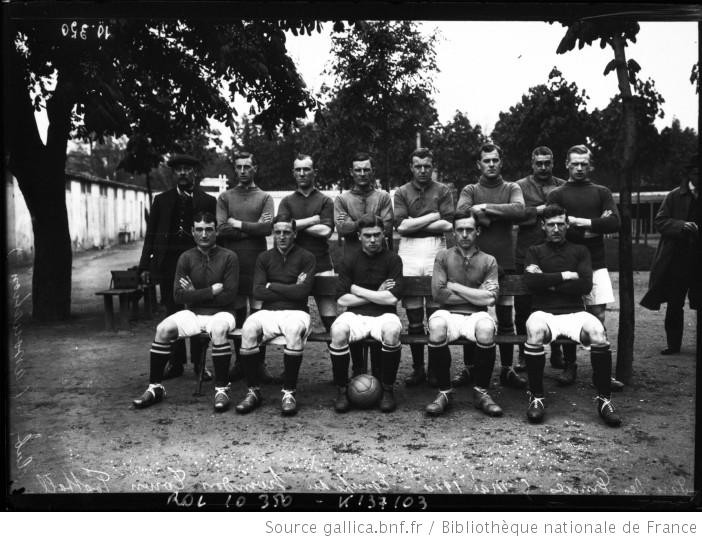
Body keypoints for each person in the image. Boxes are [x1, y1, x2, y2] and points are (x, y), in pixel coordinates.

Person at [522, 204, 621, 427]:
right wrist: (566, 275)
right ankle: (536, 397)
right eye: (551, 225)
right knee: (535, 330)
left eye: (560, 224)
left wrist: (549, 281)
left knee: (598, 331)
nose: (556, 229)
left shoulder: (580, 250)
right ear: (543, 226)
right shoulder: (534, 251)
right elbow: (531, 283)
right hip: (543, 312)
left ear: (567, 225)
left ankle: (605, 400)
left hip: (575, 312)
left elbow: (585, 286)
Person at [133, 211, 239, 411]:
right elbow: (178, 296)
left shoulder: (229, 257)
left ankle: (222, 389)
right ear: (192, 231)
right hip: (193, 313)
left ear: (216, 231)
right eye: (199, 230)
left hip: (223, 313)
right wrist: (210, 291)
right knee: (163, 329)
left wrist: (194, 292)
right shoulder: (186, 257)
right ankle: (155, 387)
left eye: (209, 229)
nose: (204, 234)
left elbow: (229, 297)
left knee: (218, 330)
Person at [546, 145, 620, 387]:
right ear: (566, 164)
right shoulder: (557, 194)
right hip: (568, 263)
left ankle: (603, 373)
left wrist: (581, 222)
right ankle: (570, 366)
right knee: (568, 314)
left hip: (596, 262)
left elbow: (614, 223)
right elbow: (555, 230)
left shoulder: (601, 192)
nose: (579, 168)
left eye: (584, 164)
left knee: (598, 314)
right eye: (575, 163)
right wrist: (593, 228)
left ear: (591, 165)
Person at [138, 154, 217, 380]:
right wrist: (145, 265)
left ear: (195, 173)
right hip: (168, 264)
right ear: (174, 173)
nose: (183, 173)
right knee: (173, 311)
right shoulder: (161, 200)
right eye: (179, 170)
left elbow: (212, 234)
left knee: (198, 312)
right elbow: (150, 235)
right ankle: (176, 363)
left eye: (187, 169)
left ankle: (200, 365)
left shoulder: (208, 201)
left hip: (198, 262)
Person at [456, 143, 526, 391]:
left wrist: (484, 209)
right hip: (474, 261)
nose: (491, 164)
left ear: (501, 162)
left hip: (504, 261)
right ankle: (470, 368)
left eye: (495, 160)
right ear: (479, 164)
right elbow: (461, 211)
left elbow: (519, 210)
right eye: (486, 161)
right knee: (471, 315)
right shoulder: (471, 189)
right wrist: (486, 214)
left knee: (506, 318)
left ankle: (507, 368)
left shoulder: (511, 187)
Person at [234, 215, 316, 416]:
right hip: (268, 311)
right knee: (248, 328)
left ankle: (288, 392)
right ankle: (253, 391)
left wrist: (273, 285)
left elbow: (302, 293)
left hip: (297, 311)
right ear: (272, 233)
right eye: (278, 232)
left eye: (287, 232)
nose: (282, 236)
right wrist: (290, 287)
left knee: (294, 329)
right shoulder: (264, 258)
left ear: (295, 234)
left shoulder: (307, 257)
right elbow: (259, 292)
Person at [425, 210, 501, 417]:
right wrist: (477, 294)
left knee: (486, 328)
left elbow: (489, 299)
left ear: (477, 231)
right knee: (437, 328)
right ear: (454, 233)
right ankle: (444, 392)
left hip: (477, 315)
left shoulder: (489, 260)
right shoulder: (443, 257)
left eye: (469, 230)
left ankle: (481, 392)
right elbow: (439, 295)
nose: (465, 234)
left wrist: (456, 287)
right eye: (460, 230)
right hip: (448, 313)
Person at [329, 214, 403, 413]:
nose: (373, 240)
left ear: (384, 235)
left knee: (392, 332)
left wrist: (357, 290)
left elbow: (391, 299)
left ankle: (387, 389)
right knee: (337, 332)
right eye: (368, 235)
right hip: (356, 315)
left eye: (377, 235)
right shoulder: (349, 260)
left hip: (384, 314)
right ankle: (342, 389)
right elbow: (342, 299)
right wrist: (377, 293)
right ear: (359, 236)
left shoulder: (393, 260)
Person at [393, 147, 454, 387]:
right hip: (408, 249)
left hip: (434, 249)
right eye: (418, 166)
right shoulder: (401, 192)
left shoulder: (443, 190)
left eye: (427, 166)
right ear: (411, 167)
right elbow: (401, 227)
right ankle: (418, 367)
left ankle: (436, 368)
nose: (422, 170)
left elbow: (447, 225)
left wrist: (414, 223)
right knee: (414, 311)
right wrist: (431, 217)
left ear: (432, 166)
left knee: (436, 308)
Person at [216, 151, 275, 382]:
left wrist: (238, 224)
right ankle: (241, 362)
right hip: (232, 263)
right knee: (239, 314)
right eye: (238, 167)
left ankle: (259, 364)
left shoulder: (264, 197)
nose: (242, 171)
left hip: (258, 263)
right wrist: (252, 227)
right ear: (234, 168)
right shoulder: (225, 197)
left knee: (259, 314)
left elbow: (266, 228)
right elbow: (221, 229)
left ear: (254, 169)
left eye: (247, 166)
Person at [334, 152, 394, 376]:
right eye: (357, 169)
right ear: (352, 172)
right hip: (353, 261)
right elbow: (340, 228)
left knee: (380, 311)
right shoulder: (342, 199)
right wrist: (368, 221)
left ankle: (379, 371)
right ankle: (358, 369)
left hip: (379, 260)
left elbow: (386, 227)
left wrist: (354, 223)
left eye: (366, 169)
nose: (362, 173)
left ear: (372, 171)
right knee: (355, 314)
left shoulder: (383, 197)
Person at [515, 146, 567, 371]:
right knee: (524, 306)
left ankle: (556, 351)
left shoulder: (563, 186)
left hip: (556, 253)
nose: (543, 167)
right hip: (527, 252)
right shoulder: (519, 186)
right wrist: (539, 211)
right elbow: (517, 215)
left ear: (553, 162)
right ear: (532, 163)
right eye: (539, 163)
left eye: (547, 162)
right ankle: (524, 352)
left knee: (555, 303)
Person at [641, 157, 700, 354]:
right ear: (689, 174)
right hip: (678, 258)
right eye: (697, 173)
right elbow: (660, 221)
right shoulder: (674, 196)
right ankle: (673, 345)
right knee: (675, 303)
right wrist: (681, 225)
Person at [277, 153, 337, 331]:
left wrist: (293, 226)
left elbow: (325, 231)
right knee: (294, 323)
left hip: (322, 265)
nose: (302, 173)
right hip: (292, 268)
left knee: (331, 323)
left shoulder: (325, 200)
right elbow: (282, 228)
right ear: (293, 173)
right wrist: (312, 220)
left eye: (306, 169)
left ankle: (337, 357)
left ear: (314, 172)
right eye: (298, 170)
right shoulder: (287, 201)